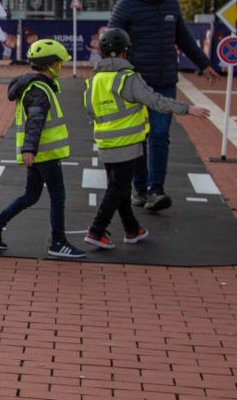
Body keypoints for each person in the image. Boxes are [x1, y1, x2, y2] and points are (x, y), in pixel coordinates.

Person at [82, 27, 211, 250]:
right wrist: (187, 109)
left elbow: (90, 110)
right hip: (128, 142)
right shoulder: (129, 79)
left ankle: (132, 230)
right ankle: (96, 230)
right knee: (117, 189)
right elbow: (155, 100)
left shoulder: (94, 80)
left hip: (104, 142)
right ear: (125, 52)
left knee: (120, 187)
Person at [108, 0, 220, 210]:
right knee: (138, 137)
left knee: (160, 134)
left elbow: (184, 37)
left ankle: (156, 190)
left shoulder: (171, 4)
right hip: (136, 83)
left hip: (165, 80)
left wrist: (204, 63)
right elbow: (111, 40)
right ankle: (139, 189)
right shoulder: (127, 6)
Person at [0, 39, 84, 260]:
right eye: (58, 63)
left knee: (31, 194)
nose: (60, 67)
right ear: (50, 64)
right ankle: (58, 242)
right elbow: (35, 120)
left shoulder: (31, 85)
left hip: (39, 151)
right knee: (57, 196)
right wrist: (30, 149)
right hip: (44, 152)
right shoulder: (39, 89)